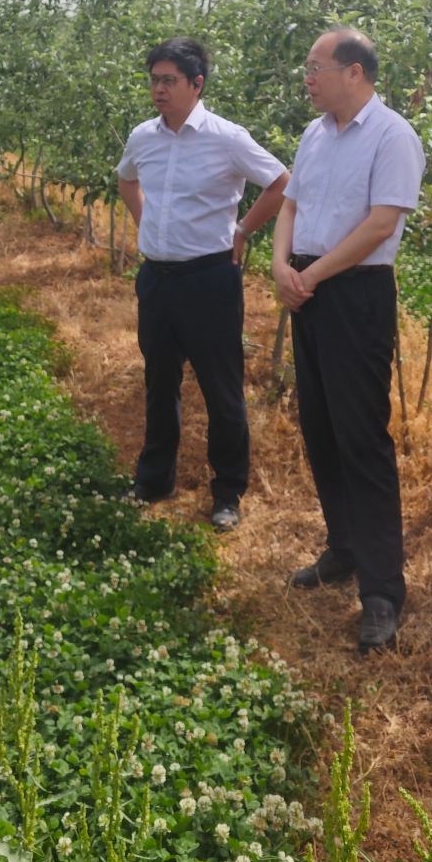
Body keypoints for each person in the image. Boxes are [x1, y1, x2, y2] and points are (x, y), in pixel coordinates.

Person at [272, 26, 425, 654]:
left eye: (317, 67)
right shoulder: (315, 134)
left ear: (355, 72)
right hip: (307, 289)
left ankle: (382, 589)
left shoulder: (392, 136)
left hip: (355, 292)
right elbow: (289, 205)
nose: (308, 78)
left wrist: (310, 276)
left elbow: (381, 224)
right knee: (320, 426)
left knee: (361, 438)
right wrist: (281, 266)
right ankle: (343, 547)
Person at [116, 37, 288, 530]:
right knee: (159, 381)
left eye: (169, 80)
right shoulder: (143, 137)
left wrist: (243, 229)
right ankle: (154, 479)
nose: (159, 89)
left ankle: (228, 491)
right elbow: (126, 180)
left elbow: (281, 182)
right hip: (157, 279)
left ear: (197, 84)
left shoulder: (226, 137)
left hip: (209, 279)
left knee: (221, 387)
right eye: (154, 80)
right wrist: (147, 224)